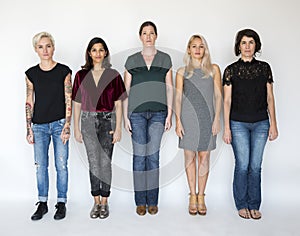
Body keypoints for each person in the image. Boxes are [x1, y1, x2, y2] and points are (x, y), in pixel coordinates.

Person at [223, 29, 278, 220]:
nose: (247, 46)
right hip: (238, 123)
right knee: (243, 165)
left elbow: (270, 98)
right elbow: (227, 101)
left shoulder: (264, 68)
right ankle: (241, 204)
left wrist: (274, 124)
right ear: (238, 46)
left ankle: (254, 204)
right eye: (244, 43)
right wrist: (227, 127)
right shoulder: (230, 70)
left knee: (256, 166)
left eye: (251, 42)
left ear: (256, 45)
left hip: (261, 123)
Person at [72, 37, 126, 219]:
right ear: (89, 53)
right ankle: (96, 202)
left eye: (101, 50)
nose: (97, 53)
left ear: (106, 53)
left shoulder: (114, 75)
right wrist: (76, 128)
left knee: (105, 163)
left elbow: (119, 104)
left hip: (107, 120)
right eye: (94, 50)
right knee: (94, 163)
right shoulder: (80, 76)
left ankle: (105, 201)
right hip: (87, 121)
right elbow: (77, 103)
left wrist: (118, 128)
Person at [123, 21, 173, 216]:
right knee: (139, 157)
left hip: (159, 113)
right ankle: (140, 202)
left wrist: (170, 114)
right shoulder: (131, 60)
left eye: (152, 33)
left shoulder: (165, 59)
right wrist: (126, 117)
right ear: (140, 36)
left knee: (152, 157)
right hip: (136, 114)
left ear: (156, 36)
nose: (148, 36)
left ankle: (152, 200)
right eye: (145, 33)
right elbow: (125, 90)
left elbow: (169, 87)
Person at [25, 32, 72, 220]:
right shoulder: (31, 74)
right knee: (40, 166)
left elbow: (69, 99)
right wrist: (29, 128)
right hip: (39, 126)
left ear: (53, 47)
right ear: (36, 49)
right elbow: (29, 100)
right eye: (41, 47)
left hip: (60, 123)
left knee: (61, 165)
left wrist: (68, 125)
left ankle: (61, 203)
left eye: (48, 46)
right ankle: (42, 203)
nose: (45, 50)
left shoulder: (64, 71)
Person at [175, 35, 222, 215]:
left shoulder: (214, 70)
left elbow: (218, 96)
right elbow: (178, 97)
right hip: (188, 118)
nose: (197, 49)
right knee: (190, 158)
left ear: (205, 49)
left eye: (201, 46)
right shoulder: (182, 71)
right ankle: (192, 196)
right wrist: (178, 120)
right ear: (188, 49)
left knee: (204, 157)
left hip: (208, 117)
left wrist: (217, 118)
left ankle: (201, 196)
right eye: (193, 46)